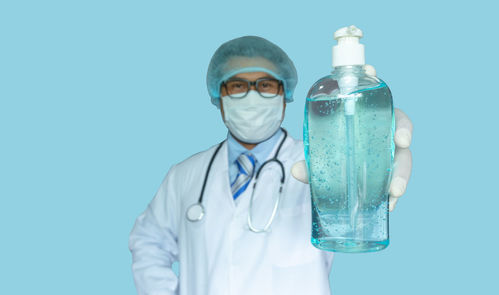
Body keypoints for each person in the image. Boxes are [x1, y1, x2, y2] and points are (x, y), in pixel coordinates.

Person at [128, 36, 413, 295]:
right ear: (219, 96)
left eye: (265, 85)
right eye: (238, 85)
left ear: (285, 94)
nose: (252, 97)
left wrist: (371, 149)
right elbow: (147, 241)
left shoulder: (320, 161)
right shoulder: (184, 176)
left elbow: (355, 204)